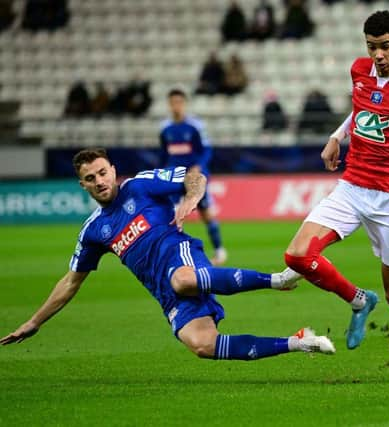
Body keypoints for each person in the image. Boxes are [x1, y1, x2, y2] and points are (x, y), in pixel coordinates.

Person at [1, 148, 336, 362]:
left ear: (113, 170)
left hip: (181, 257)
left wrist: (191, 199)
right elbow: (71, 282)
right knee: (202, 344)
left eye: (103, 173)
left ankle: (278, 279)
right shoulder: (93, 231)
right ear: (82, 185)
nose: (100, 181)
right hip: (165, 291)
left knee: (183, 279)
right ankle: (298, 343)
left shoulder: (140, 186)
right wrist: (34, 322)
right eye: (90, 178)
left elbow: (195, 177)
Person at [284, 11, 389, 384]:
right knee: (297, 254)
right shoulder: (359, 70)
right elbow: (360, 109)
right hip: (352, 186)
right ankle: (358, 300)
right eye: (371, 46)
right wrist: (336, 136)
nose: (377, 55)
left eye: (385, 46)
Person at [159, 87, 227, 265]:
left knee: (206, 214)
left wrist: (198, 167)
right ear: (169, 104)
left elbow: (206, 151)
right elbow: (164, 155)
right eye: (173, 103)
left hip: (194, 176)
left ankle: (219, 251)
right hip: (174, 178)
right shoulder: (165, 128)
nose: (176, 106)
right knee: (172, 215)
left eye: (179, 102)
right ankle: (173, 253)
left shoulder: (195, 126)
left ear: (184, 104)